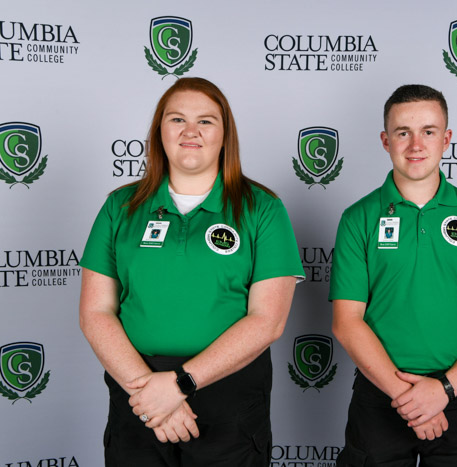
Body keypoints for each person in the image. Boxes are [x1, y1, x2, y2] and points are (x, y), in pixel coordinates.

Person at [79, 77, 304, 466]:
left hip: (229, 399)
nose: (190, 132)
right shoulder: (120, 207)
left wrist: (181, 384)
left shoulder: (263, 208)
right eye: (177, 119)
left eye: (206, 121)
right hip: (138, 394)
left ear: (224, 134)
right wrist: (151, 396)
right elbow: (95, 312)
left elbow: (268, 320)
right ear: (159, 131)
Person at [329, 84, 457, 467]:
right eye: (403, 132)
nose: (416, 144)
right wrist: (412, 400)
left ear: (446, 139)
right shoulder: (358, 218)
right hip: (380, 396)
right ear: (385, 140)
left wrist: (443, 390)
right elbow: (347, 323)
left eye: (428, 131)